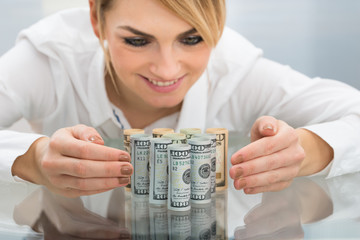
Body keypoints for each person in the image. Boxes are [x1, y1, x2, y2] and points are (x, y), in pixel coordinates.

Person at [1, 0, 360, 198]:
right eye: (137, 41)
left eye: (191, 39)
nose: (167, 69)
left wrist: (307, 150)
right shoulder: (50, 58)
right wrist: (31, 158)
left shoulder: (236, 70)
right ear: (96, 18)